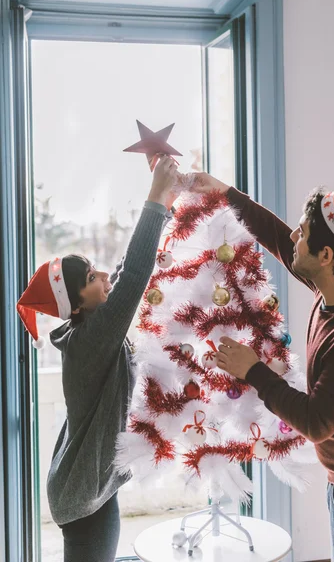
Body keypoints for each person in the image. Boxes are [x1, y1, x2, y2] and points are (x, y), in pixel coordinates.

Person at [191, 173, 334, 562]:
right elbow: (277, 237)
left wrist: (253, 370)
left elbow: (317, 422)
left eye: (302, 233)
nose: (293, 239)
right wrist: (225, 193)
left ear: (327, 256)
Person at [17, 156, 179, 562]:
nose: (103, 276)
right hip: (82, 497)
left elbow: (124, 271)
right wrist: (156, 196)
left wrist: (167, 207)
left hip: (90, 488)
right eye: (92, 278)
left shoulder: (88, 331)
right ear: (75, 305)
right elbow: (133, 276)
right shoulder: (90, 340)